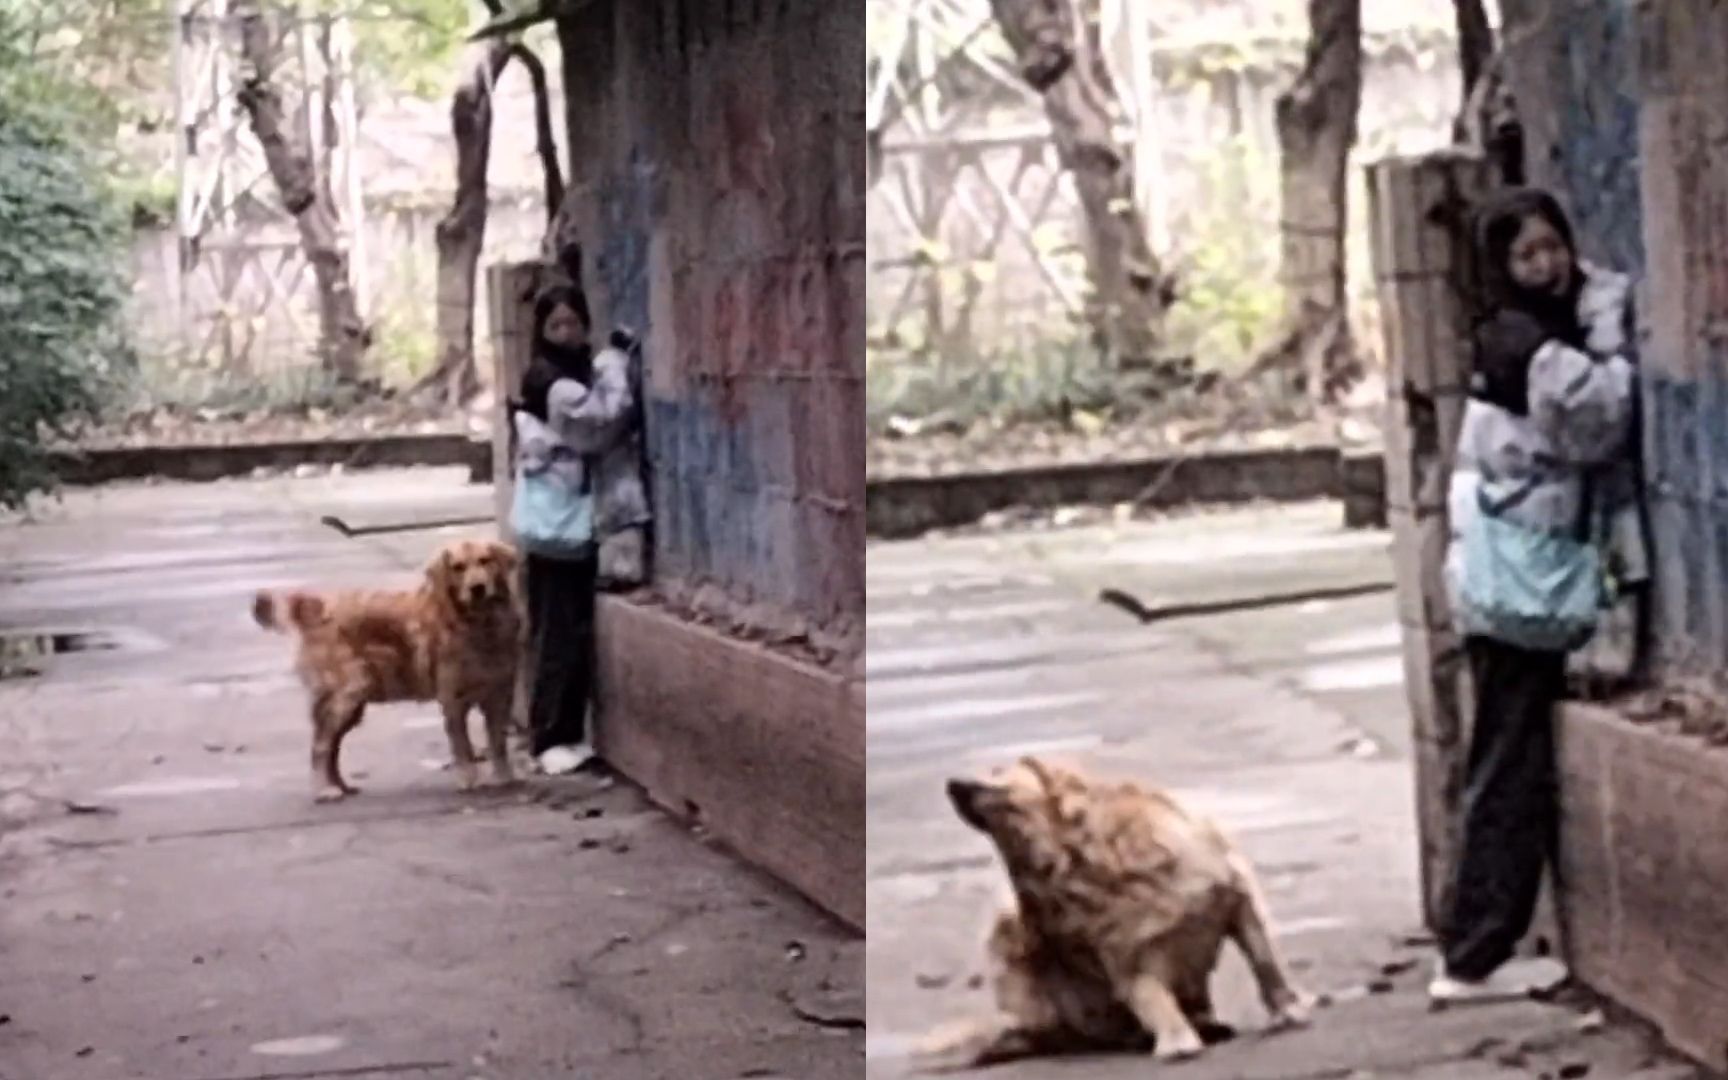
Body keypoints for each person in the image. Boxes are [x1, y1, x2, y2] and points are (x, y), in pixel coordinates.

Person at [1433, 188, 1649, 1003]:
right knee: (1508, 765)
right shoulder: (1527, 344)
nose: (1548, 264)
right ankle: (1475, 956)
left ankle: (1475, 945)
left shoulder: (1514, 331)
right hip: (1518, 582)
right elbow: (1600, 420)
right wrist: (1606, 330)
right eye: (1527, 255)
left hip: (1505, 573)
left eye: (1553, 244)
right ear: (1501, 267)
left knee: (1506, 756)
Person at [511, 281, 651, 776]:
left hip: (567, 523)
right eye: (556, 325)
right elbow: (601, 422)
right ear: (542, 331)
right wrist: (615, 363)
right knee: (557, 635)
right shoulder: (554, 383)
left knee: (568, 630)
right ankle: (551, 736)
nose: (567, 333)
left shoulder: (565, 373)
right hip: (559, 528)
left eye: (574, 323)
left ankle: (561, 734)